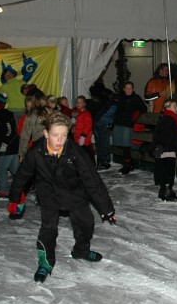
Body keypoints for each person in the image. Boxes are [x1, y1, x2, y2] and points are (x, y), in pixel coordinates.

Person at [8, 112, 117, 283]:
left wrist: (106, 207)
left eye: (64, 135)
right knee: (48, 229)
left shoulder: (75, 152)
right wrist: (15, 198)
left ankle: (81, 251)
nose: (59, 140)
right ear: (46, 133)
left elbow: (92, 179)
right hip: (48, 194)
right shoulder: (36, 152)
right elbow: (23, 175)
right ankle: (45, 263)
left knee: (86, 223)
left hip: (74, 193)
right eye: (55, 135)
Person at [112, 81, 146, 175]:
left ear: (133, 89)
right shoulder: (121, 97)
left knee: (126, 144)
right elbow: (117, 109)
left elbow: (143, 108)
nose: (128, 90)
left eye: (130, 88)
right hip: (119, 123)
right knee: (121, 144)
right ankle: (128, 163)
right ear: (124, 89)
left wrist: (136, 114)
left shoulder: (136, 98)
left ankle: (128, 164)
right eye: (127, 88)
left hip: (128, 124)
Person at [153, 99, 177, 202]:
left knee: (165, 169)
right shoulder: (169, 119)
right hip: (167, 150)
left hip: (166, 149)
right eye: (175, 106)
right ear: (168, 107)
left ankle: (163, 190)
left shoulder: (167, 118)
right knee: (168, 170)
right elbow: (162, 135)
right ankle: (167, 192)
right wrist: (161, 146)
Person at [18, 91, 51, 163]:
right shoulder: (52, 113)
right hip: (53, 144)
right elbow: (68, 123)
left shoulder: (32, 115)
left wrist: (22, 154)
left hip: (39, 145)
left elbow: (25, 136)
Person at [71, 95, 95, 163]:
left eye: (80, 102)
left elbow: (88, 126)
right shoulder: (76, 113)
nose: (78, 104)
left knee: (87, 152)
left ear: (84, 104)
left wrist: (83, 136)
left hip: (84, 138)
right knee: (80, 153)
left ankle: (92, 164)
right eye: (77, 102)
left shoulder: (86, 114)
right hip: (77, 137)